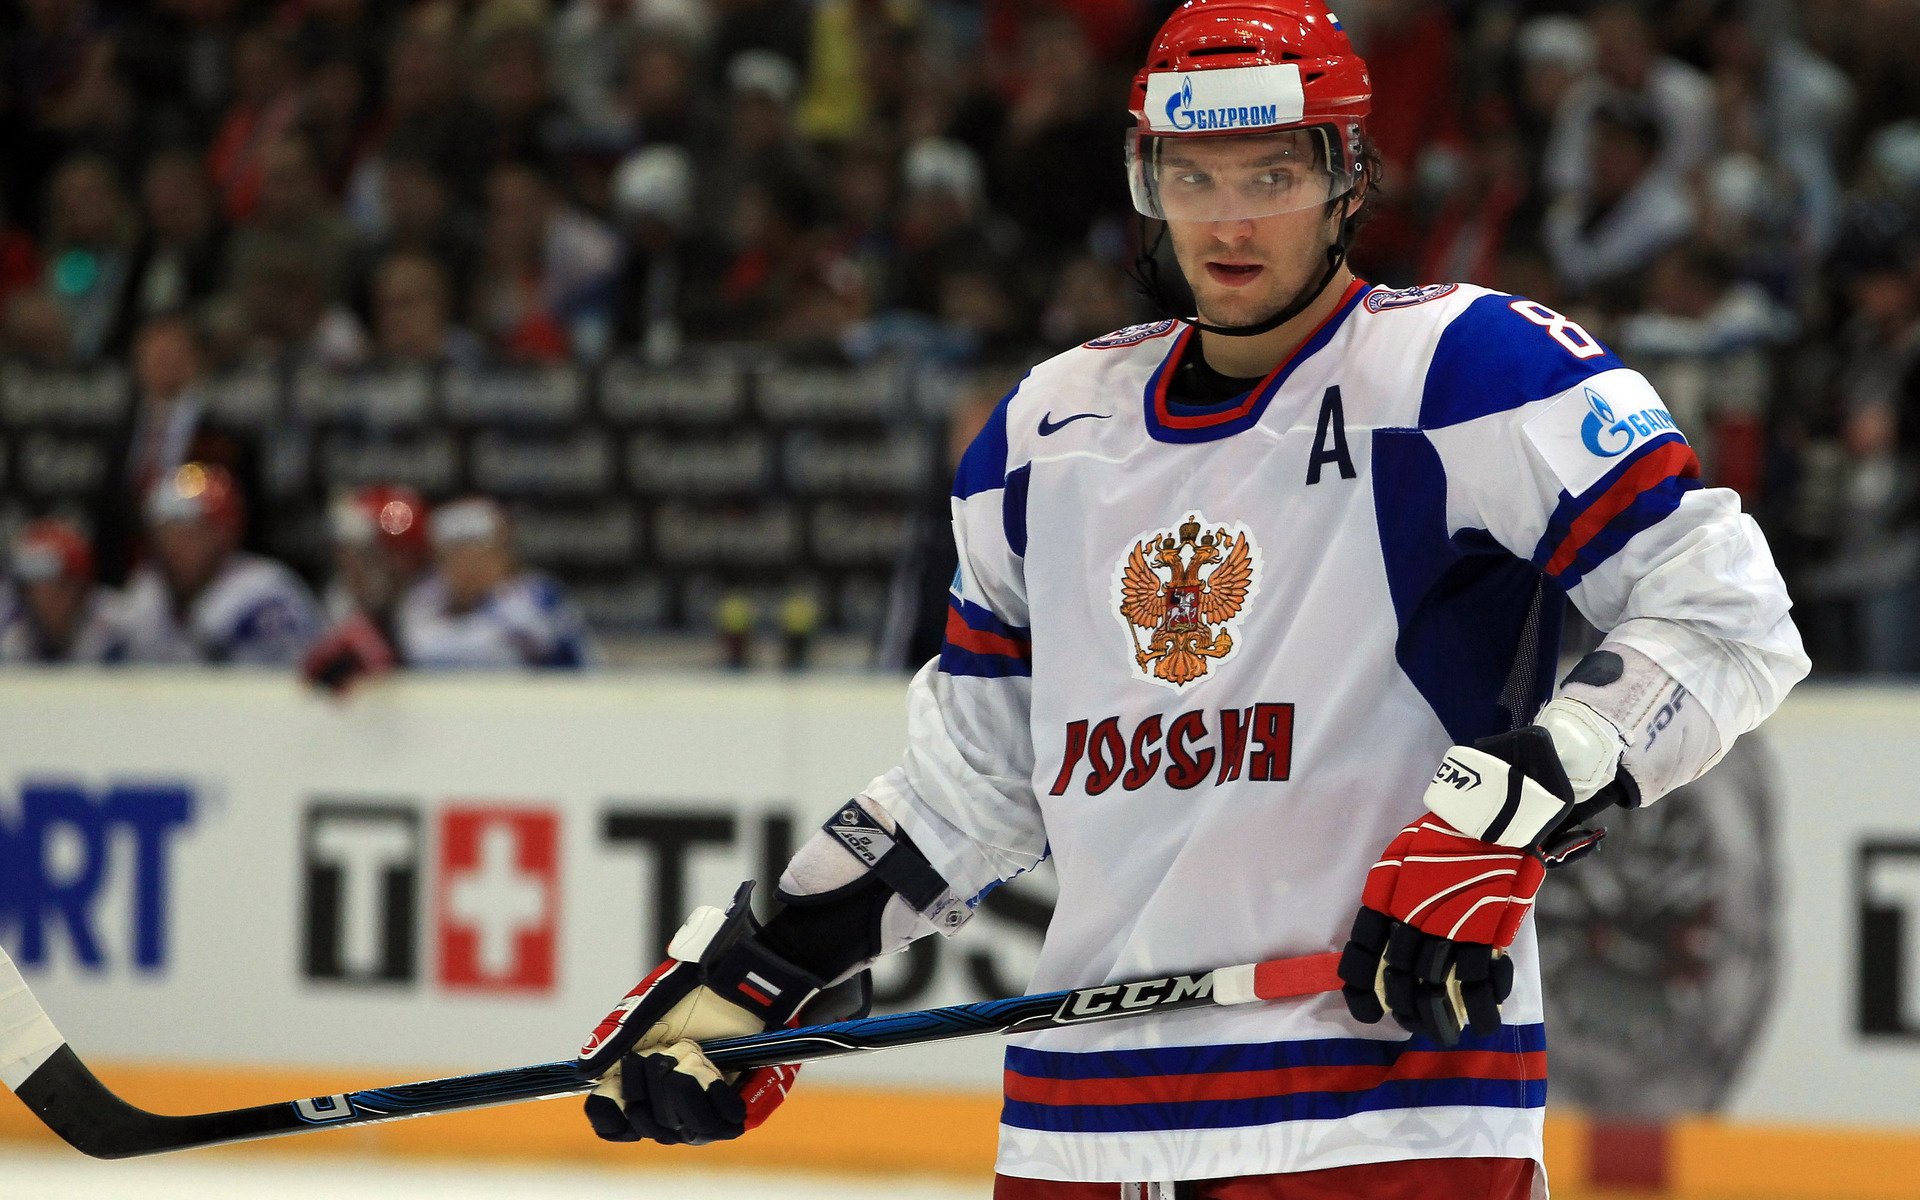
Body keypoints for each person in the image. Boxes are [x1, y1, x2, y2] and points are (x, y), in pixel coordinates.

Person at [572, 4, 1809, 1198]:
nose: (1229, 221)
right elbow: (976, 789)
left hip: (1385, 1115)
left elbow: (1728, 618)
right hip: (1084, 1132)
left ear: (1348, 177)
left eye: (1271, 175)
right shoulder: (1046, 433)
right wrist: (763, 960)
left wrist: (1526, 799)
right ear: (1143, 178)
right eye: (1192, 175)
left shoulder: (1467, 374)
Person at [116, 462, 322, 665]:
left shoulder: (264, 596)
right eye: (163, 534)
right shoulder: (146, 594)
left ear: (223, 535)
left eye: (188, 534)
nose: (172, 548)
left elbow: (280, 688)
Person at [396, 497, 595, 669]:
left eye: (480, 557)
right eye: (457, 558)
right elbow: (421, 650)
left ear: (504, 557)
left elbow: (498, 652)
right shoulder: (421, 601)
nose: (469, 570)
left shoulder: (540, 596)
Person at [302, 484, 432, 693]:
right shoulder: (339, 599)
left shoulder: (436, 606)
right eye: (345, 552)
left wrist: (388, 652)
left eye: (365, 555)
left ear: (402, 560)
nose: (349, 567)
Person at [0, 519, 124, 664]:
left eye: (55, 587)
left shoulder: (116, 629)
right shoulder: (11, 634)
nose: (42, 600)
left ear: (80, 589)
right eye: (31, 589)